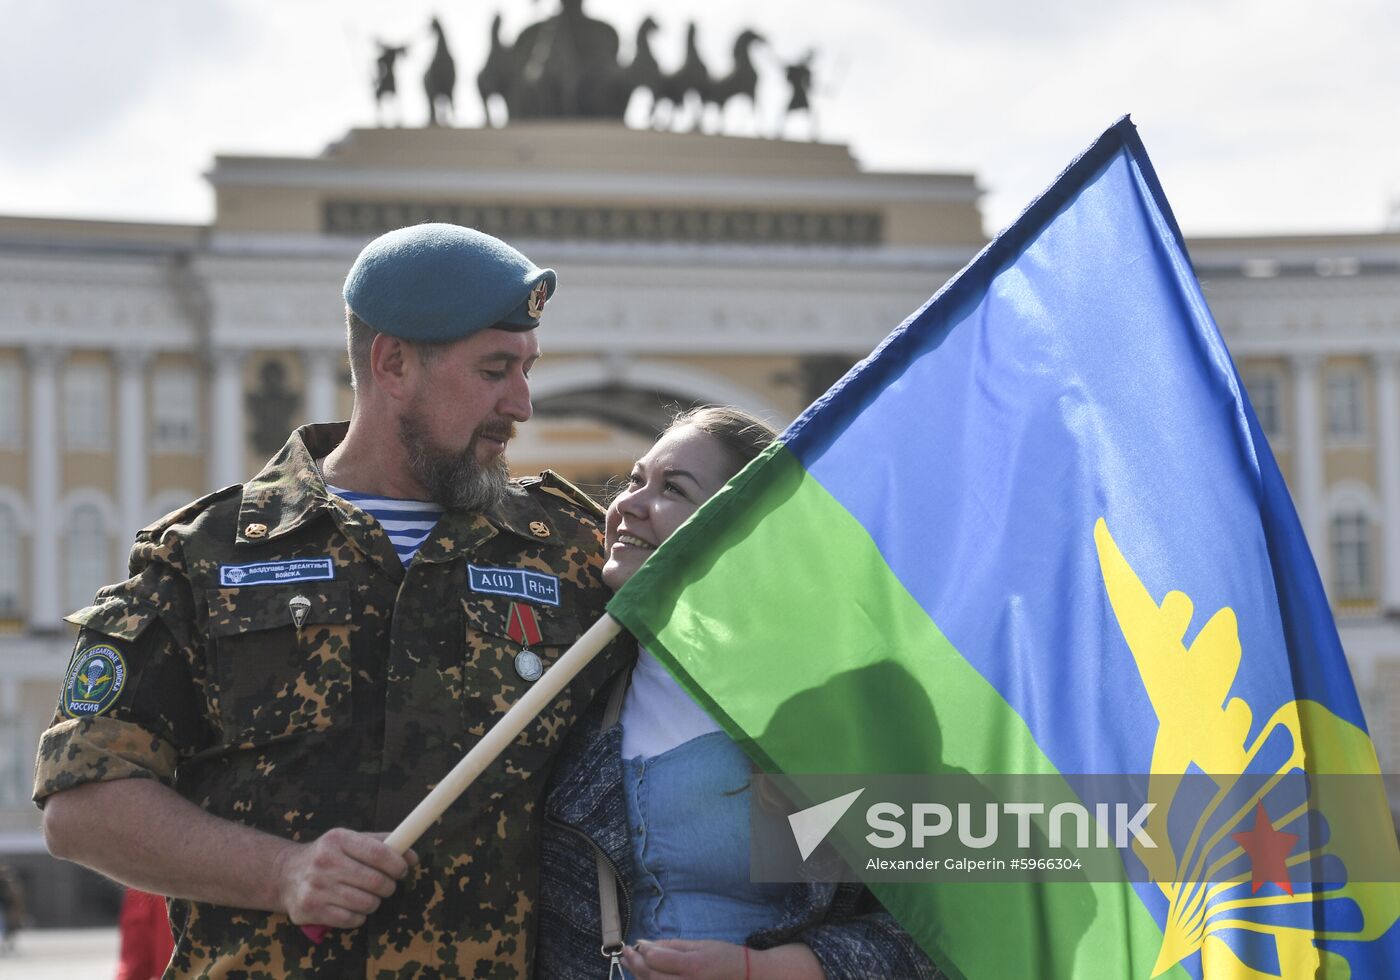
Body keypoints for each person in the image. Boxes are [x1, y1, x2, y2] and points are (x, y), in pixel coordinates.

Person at [34, 223, 626, 976]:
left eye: (527, 369)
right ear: (394, 363)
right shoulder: (208, 556)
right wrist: (281, 872)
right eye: (494, 370)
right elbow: (83, 804)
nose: (523, 403)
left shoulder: (572, 556)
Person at [536, 407, 939, 979]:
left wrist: (765, 970)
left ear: (742, 529)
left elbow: (945, 927)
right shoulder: (577, 678)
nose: (627, 504)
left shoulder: (829, 704)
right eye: (634, 480)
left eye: (672, 489)